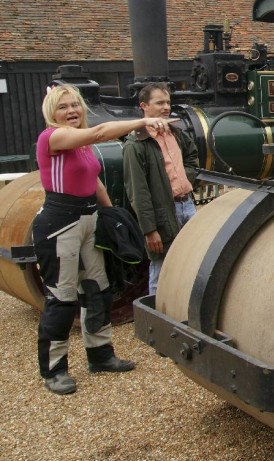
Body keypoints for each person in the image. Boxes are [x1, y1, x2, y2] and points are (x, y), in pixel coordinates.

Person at [35, 84, 172, 395]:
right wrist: (142, 122)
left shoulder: (79, 145)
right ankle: (54, 370)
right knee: (61, 296)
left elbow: (93, 178)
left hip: (89, 219)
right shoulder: (53, 137)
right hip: (59, 224)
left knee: (98, 289)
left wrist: (111, 215)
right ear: (51, 113)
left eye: (75, 105)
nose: (71, 111)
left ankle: (100, 355)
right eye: (63, 107)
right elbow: (99, 134)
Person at [122, 82, 199, 296]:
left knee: (192, 258)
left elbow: (193, 158)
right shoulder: (135, 144)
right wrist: (149, 229)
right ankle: (157, 314)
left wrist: (185, 179)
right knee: (161, 265)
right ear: (144, 106)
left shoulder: (176, 133)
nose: (166, 107)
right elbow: (138, 192)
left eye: (168, 102)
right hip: (163, 212)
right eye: (159, 103)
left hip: (187, 204)